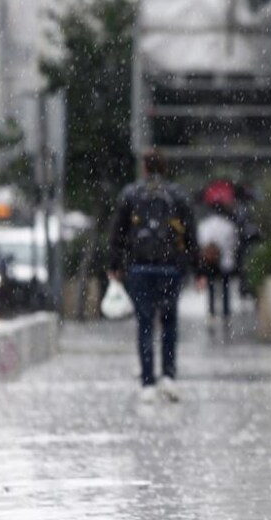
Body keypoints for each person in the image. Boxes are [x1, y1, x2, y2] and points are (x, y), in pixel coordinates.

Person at [107, 149, 197, 403]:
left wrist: (114, 265)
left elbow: (118, 233)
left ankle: (147, 382)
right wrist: (197, 268)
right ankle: (168, 376)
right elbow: (190, 234)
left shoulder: (131, 194)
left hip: (140, 267)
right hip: (170, 268)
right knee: (169, 323)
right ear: (164, 168)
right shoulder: (177, 195)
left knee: (145, 324)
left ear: (145, 168)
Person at [196, 202, 239, 330]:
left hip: (209, 262)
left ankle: (212, 312)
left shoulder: (204, 225)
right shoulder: (228, 225)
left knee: (211, 287)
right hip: (225, 261)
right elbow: (234, 243)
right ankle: (225, 313)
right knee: (225, 288)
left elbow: (200, 242)